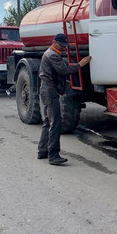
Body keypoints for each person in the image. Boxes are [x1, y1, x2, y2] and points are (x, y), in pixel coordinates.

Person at [38, 33, 92, 166]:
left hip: (47, 89)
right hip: (50, 91)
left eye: (64, 46)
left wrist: (63, 83)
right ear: (54, 42)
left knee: (47, 122)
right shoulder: (52, 55)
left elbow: (55, 73)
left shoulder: (51, 54)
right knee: (55, 123)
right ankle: (53, 155)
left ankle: (42, 150)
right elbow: (64, 70)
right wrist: (80, 64)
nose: (63, 48)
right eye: (61, 45)